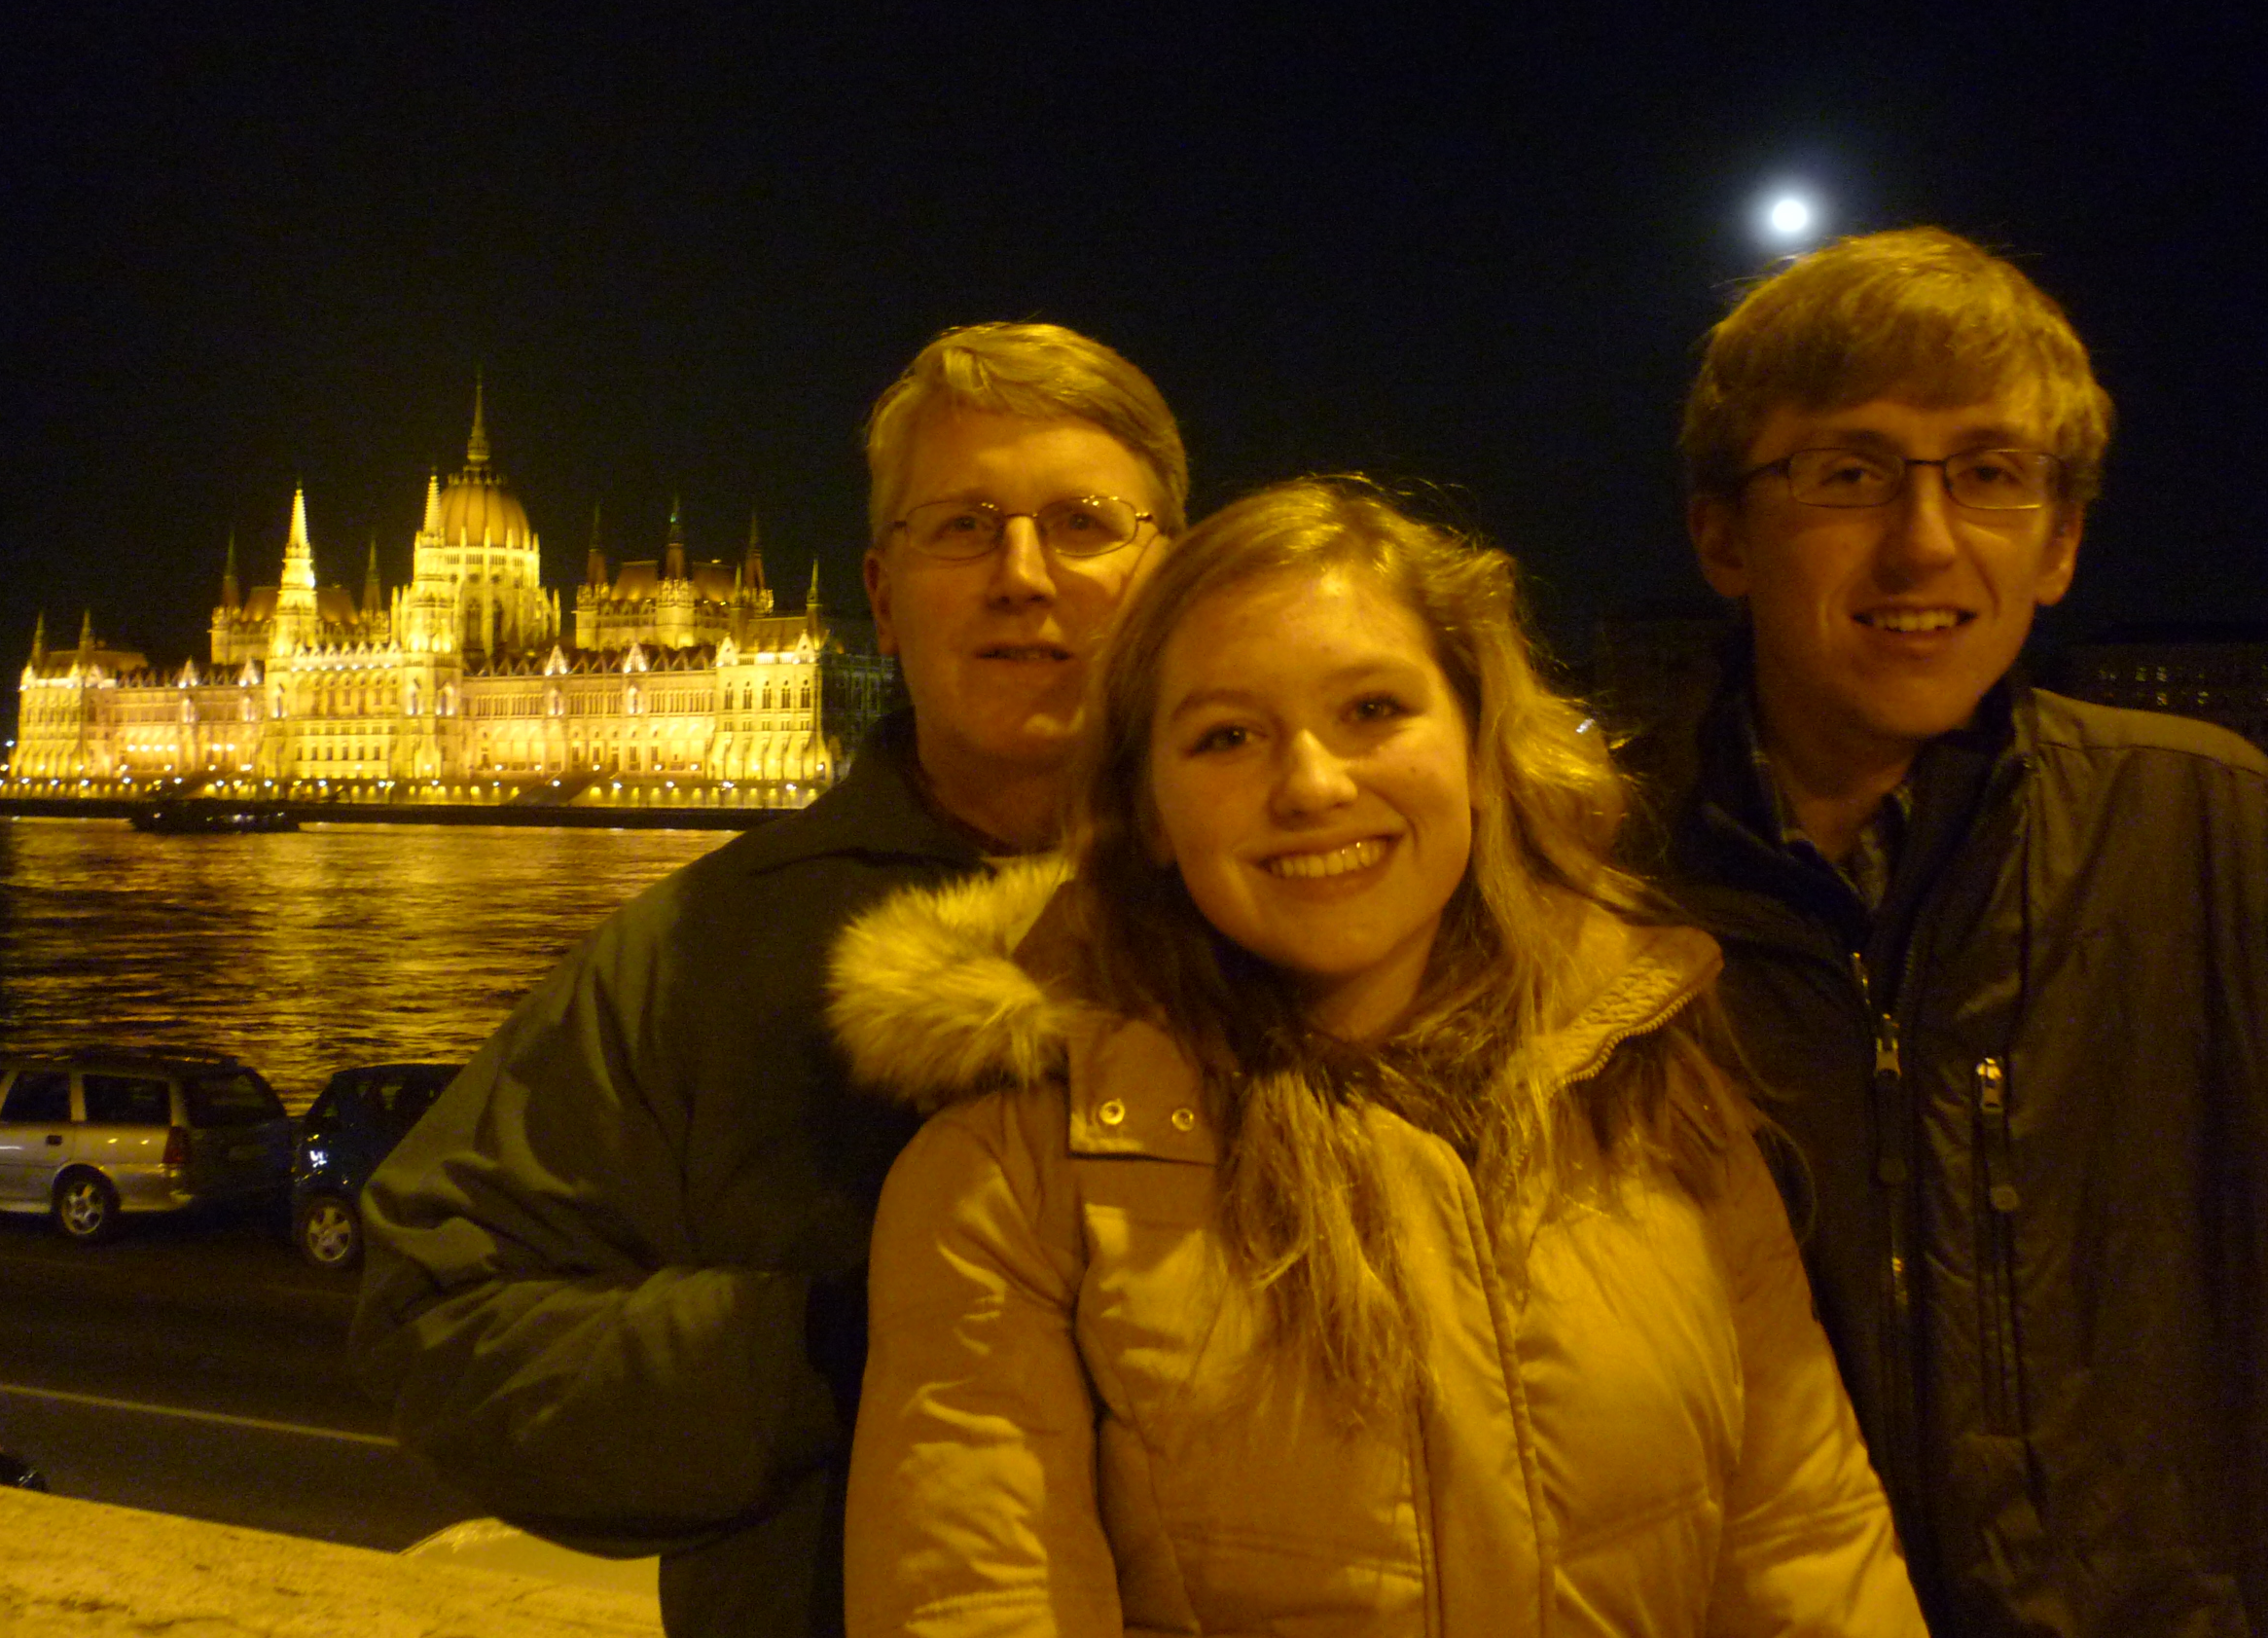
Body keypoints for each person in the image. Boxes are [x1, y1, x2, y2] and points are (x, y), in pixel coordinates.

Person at [828, 479, 1923, 1634]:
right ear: (1148, 809)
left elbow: (1809, 1555)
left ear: (1478, 750)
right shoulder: (1011, 1177)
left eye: (1371, 710)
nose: (1312, 785)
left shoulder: (1653, 1089)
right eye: (1227, 736)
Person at [349, 321, 1187, 1638]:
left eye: (1083, 524)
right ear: (884, 598)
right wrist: (834, 1348)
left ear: (1174, 579)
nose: (1022, 575)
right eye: (962, 527)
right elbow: (436, 1327)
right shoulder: (697, 947)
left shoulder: (1311, 917)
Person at [1667, 228, 2268, 1632]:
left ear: (2059, 543)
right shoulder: (1595, 890)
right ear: (1722, 535)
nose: (1924, 540)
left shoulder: (2212, 834)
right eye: (1849, 471)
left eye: (1991, 474)